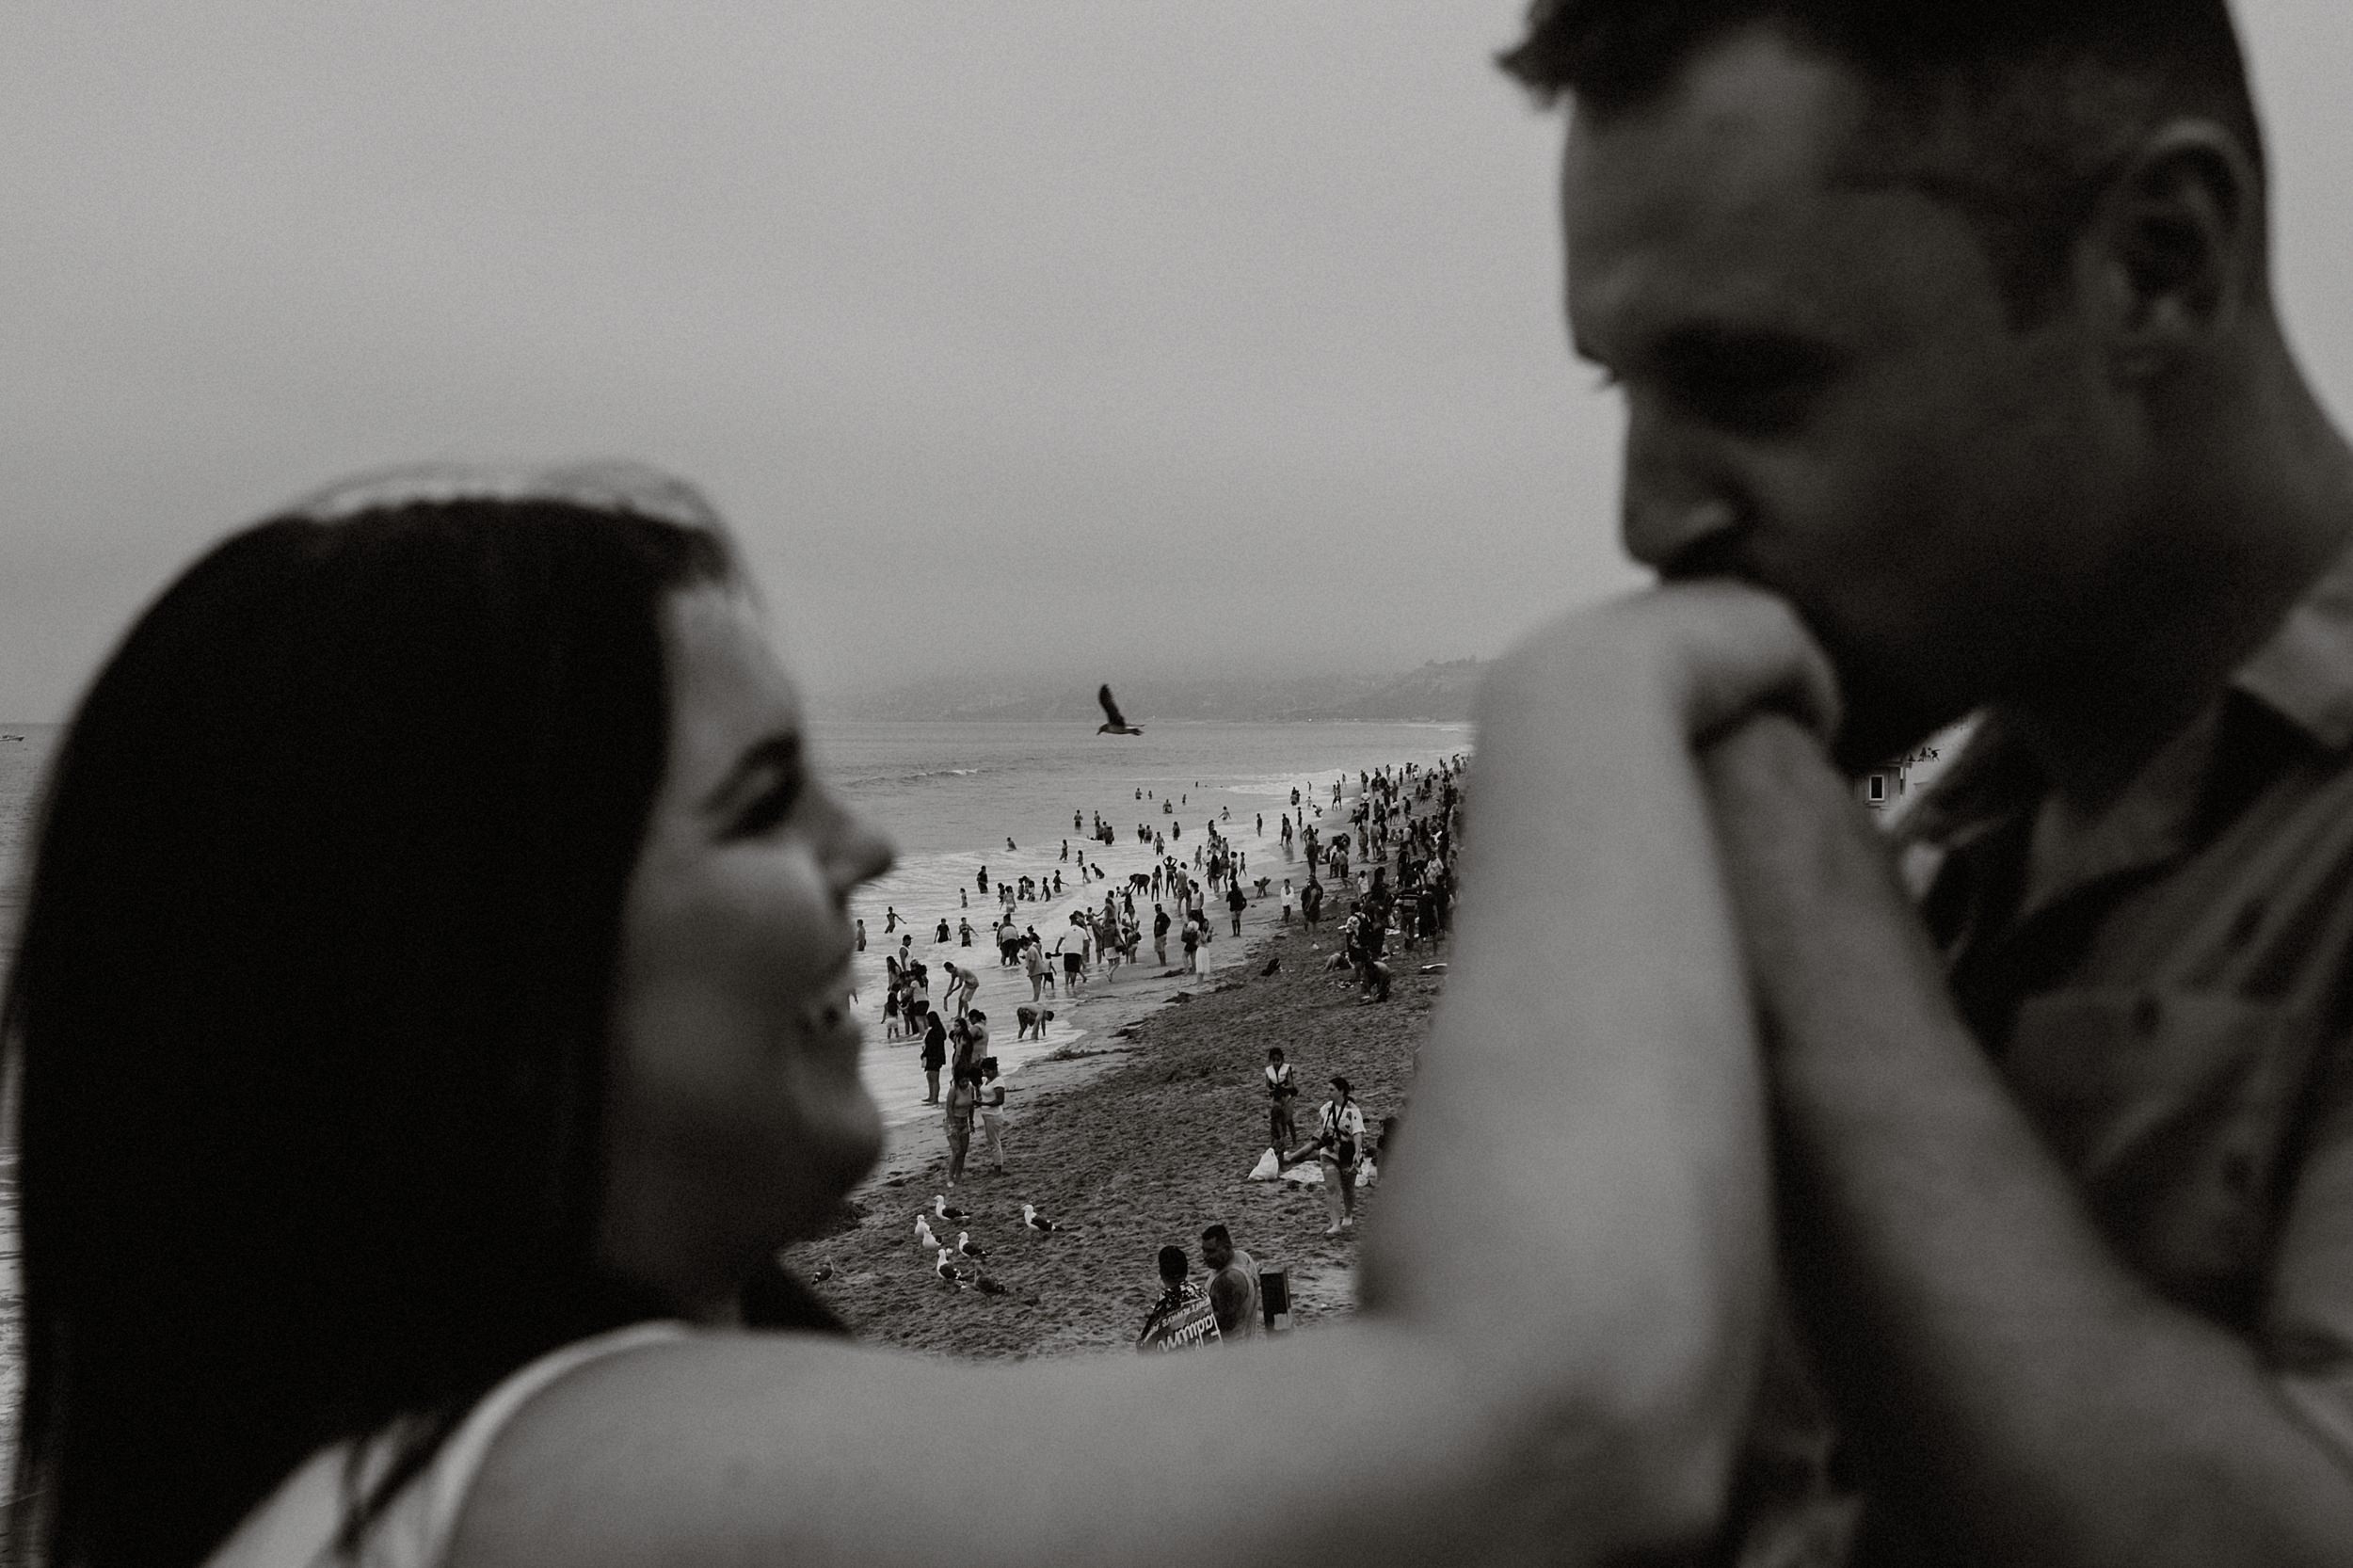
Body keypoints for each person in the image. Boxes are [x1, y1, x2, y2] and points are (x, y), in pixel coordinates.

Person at [3, 460, 1819, 1568]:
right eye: (761, 801)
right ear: (474, 974)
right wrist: (1596, 684)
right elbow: (1568, 1431)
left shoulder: (493, 1464)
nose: (866, 842)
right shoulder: (550, 1494)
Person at [1502, 2, 2353, 1561]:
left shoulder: (1827, 890)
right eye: (1617, 391)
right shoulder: (1960, 850)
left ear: (2157, 262)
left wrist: (1785, 868)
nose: (1649, 521)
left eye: (1751, 383)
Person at [1134, 1245, 1219, 1353]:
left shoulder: (1165, 1303)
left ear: (1161, 1274)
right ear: (1186, 1270)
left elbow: (1143, 1348)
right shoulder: (1201, 1293)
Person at [1312, 1078, 1368, 1237]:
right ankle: (1335, 1224)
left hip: (1347, 1152)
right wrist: (1320, 1136)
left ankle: (1348, 1214)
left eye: (1331, 1090)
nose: (1328, 1092)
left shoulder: (1353, 1110)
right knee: (1331, 1187)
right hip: (1329, 1152)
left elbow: (1358, 1132)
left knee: (1348, 1188)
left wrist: (1358, 1152)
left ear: (1341, 1091)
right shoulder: (1326, 1109)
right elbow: (1319, 1124)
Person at [1200, 1225, 1260, 1344]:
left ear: (1227, 1248)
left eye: (1211, 1251)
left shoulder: (1227, 1281)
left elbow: (1227, 1322)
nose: (1205, 1256)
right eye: (1204, 1250)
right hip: (1250, 1341)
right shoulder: (1244, 1258)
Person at [942, 1066, 978, 1189]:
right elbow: (948, 1108)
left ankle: (959, 1176)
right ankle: (950, 1177)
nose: (965, 1083)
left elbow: (971, 1106)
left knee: (963, 1151)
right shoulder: (953, 1090)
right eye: (962, 1081)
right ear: (957, 1081)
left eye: (967, 1080)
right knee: (956, 1151)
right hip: (952, 1122)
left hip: (965, 1122)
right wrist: (953, 1126)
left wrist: (972, 1122)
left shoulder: (971, 1088)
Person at [977, 1057, 1008, 1176]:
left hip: (994, 1114)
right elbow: (988, 1095)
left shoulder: (998, 1081)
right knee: (992, 1141)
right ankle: (996, 1165)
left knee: (995, 1142)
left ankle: (998, 1168)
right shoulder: (988, 1080)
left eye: (987, 1071)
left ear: (994, 1070)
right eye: (984, 1071)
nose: (985, 1073)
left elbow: (1000, 1100)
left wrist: (983, 1104)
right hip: (987, 1114)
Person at [1264, 1047, 1299, 1150]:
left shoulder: (1287, 1069)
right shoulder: (1268, 1071)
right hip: (1276, 1096)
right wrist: (1270, 1091)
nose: (1276, 1063)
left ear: (1282, 1060)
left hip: (1286, 1096)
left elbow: (1291, 1084)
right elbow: (1266, 1086)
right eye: (1274, 1060)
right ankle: (1279, 1139)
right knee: (1276, 1118)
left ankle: (1294, 1141)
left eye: (1278, 1060)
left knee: (1288, 1119)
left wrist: (1284, 1087)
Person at [919, 1009, 947, 1105]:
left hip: (934, 1057)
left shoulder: (934, 1032)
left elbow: (931, 1046)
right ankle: (932, 1096)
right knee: (930, 1076)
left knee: (934, 1078)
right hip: (937, 1057)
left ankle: (934, 1099)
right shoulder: (939, 1030)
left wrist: (924, 1054)